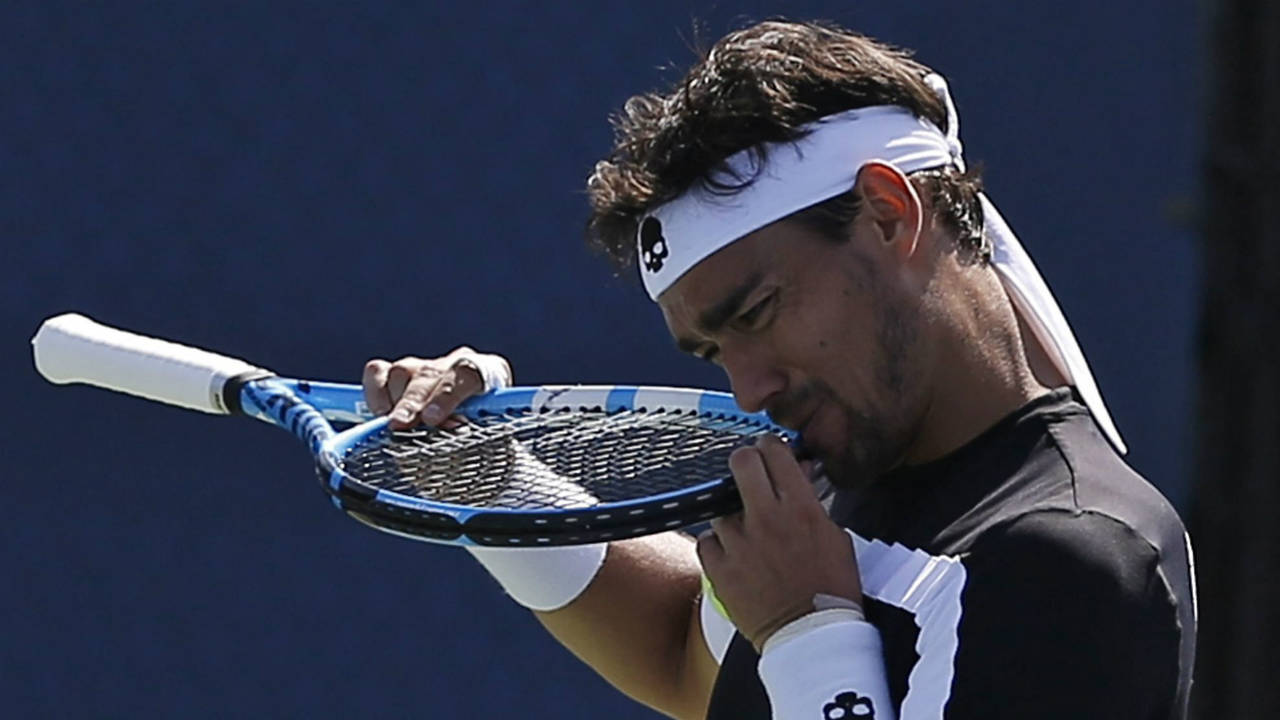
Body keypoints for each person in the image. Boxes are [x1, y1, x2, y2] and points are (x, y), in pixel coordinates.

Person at [361, 20, 1196, 720]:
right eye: (715, 352)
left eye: (757, 313)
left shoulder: (1078, 565)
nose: (750, 389)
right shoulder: (836, 472)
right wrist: (495, 477)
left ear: (888, 213)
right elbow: (684, 656)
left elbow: (785, 643)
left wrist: (810, 640)